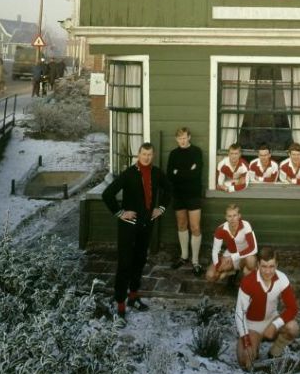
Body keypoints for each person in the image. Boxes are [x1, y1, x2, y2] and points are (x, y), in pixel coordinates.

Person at [102, 142, 170, 324]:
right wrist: (120, 213)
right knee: (125, 263)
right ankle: (120, 304)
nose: (146, 157)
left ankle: (133, 297)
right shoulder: (129, 174)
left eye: (149, 154)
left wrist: (160, 208)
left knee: (139, 261)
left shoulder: (156, 173)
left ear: (152, 156)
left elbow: (169, 189)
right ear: (138, 155)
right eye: (143, 154)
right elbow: (107, 194)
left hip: (146, 225)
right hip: (128, 225)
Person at [235, 246, 300, 370]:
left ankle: (274, 353)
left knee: (293, 328)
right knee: (245, 359)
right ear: (258, 264)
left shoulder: (282, 278)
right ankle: (255, 346)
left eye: (271, 266)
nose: (268, 271)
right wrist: (246, 340)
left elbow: (292, 308)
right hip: (252, 326)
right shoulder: (248, 282)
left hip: (271, 319)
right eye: (264, 266)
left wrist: (275, 325)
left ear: (277, 265)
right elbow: (239, 313)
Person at [166, 127, 205, 275]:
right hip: (178, 194)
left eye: (184, 137)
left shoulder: (197, 152)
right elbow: (170, 175)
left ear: (189, 137)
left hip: (193, 194)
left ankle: (195, 261)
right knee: (182, 225)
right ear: (177, 139)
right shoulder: (173, 154)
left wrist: (179, 173)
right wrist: (188, 171)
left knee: (195, 227)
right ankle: (184, 256)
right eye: (179, 138)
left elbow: (196, 174)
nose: (182, 140)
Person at [206, 203, 258, 284]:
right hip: (230, 254)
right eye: (229, 216)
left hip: (246, 255)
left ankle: (245, 271)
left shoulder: (246, 225)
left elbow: (253, 248)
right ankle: (231, 271)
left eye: (235, 215)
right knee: (211, 275)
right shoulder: (221, 229)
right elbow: (215, 251)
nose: (232, 219)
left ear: (239, 216)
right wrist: (218, 266)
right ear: (226, 217)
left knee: (250, 263)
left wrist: (233, 257)